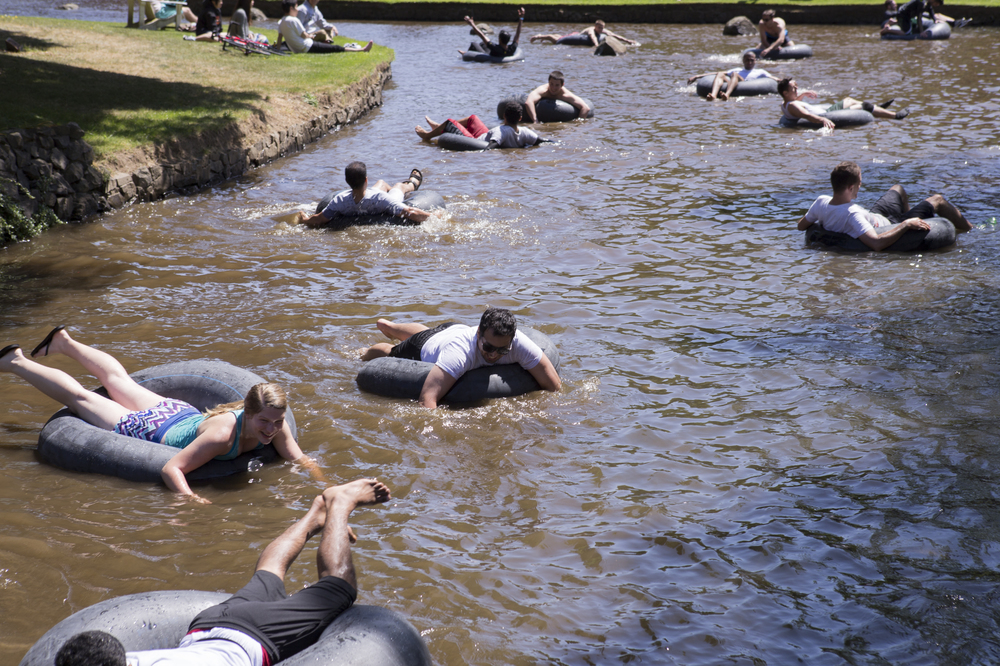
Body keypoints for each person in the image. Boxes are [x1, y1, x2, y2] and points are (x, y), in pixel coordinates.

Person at [53, 478, 391, 666]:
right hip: (208, 623)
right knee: (269, 572)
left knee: (339, 588)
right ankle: (317, 511)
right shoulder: (133, 660)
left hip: (255, 637)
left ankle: (342, 503)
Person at [0, 327, 318, 503]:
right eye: (264, 422)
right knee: (81, 398)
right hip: (151, 428)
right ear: (248, 414)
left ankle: (64, 341)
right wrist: (189, 502)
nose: (271, 429)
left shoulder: (274, 422)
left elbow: (299, 459)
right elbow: (171, 469)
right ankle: (15, 361)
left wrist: (324, 484)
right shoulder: (223, 437)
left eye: (276, 422)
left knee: (119, 382)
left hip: (178, 413)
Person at [361, 307, 561, 409]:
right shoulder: (459, 354)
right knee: (391, 351)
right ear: (478, 335)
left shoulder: (519, 344)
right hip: (425, 346)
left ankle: (390, 327)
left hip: (449, 332)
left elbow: (554, 386)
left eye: (502, 350)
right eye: (488, 347)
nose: (493, 354)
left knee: (431, 332)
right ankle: (372, 343)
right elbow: (427, 399)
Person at [796, 161, 972, 251]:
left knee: (898, 189)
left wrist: (823, 220)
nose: (860, 186)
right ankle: (972, 229)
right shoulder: (852, 215)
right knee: (938, 200)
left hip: (874, 215)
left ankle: (907, 213)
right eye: (859, 184)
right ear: (851, 188)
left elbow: (801, 225)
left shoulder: (820, 202)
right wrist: (906, 224)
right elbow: (876, 244)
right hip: (888, 225)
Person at [295, 161, 435, 227]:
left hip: (367, 197)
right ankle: (412, 183)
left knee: (380, 183)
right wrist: (434, 216)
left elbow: (319, 219)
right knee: (399, 187)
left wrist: (304, 219)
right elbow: (409, 211)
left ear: (346, 181)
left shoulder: (340, 200)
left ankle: (389, 185)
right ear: (366, 180)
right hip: (381, 202)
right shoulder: (381, 199)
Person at [778, 78, 907, 131]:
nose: (797, 89)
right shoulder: (793, 106)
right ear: (785, 92)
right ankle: (895, 116)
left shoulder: (786, 103)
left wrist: (803, 94)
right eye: (794, 89)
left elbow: (796, 106)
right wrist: (823, 119)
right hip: (827, 114)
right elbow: (807, 115)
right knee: (865, 107)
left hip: (827, 110)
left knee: (848, 100)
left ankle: (877, 108)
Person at [276, 0, 372, 54]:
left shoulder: (281, 21)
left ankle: (326, 43)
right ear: (291, 8)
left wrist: (278, 50)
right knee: (335, 48)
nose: (297, 10)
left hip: (300, 48)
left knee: (330, 44)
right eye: (296, 7)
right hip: (306, 46)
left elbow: (279, 38)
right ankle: (362, 49)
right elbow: (304, 35)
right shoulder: (294, 19)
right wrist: (311, 36)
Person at [686, 50, 778, 101]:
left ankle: (727, 95)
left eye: (752, 60)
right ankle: (713, 95)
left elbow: (774, 79)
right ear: (743, 61)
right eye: (747, 60)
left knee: (734, 74)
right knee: (721, 73)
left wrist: (788, 81)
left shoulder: (761, 72)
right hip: (734, 82)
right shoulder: (737, 70)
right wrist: (698, 76)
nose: (749, 62)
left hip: (746, 84)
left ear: (755, 60)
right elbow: (716, 73)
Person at [524, 71, 591, 124]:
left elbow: (585, 108)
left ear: (562, 85)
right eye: (551, 84)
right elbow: (528, 102)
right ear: (548, 82)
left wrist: (577, 123)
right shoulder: (543, 90)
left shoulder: (565, 95)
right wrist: (535, 121)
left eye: (557, 85)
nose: (553, 88)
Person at [530, 19, 638, 46]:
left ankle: (542, 37)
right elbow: (592, 37)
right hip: (575, 36)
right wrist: (596, 45)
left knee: (558, 36)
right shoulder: (591, 29)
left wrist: (628, 41)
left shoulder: (603, 31)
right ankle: (538, 37)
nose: (601, 30)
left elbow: (615, 35)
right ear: (596, 26)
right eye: (599, 28)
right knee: (554, 39)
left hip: (575, 34)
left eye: (602, 28)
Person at [415, 114, 490, 142]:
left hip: (479, 142)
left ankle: (427, 136)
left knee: (450, 122)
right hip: (487, 136)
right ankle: (439, 127)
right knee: (473, 118)